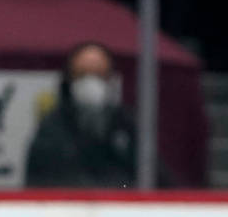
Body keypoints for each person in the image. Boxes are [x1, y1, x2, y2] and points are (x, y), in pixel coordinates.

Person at [24, 41, 142, 188]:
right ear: (69, 79)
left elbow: (156, 179)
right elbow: (35, 184)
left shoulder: (126, 126)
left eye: (99, 75)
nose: (90, 82)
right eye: (81, 74)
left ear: (110, 78)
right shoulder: (52, 128)